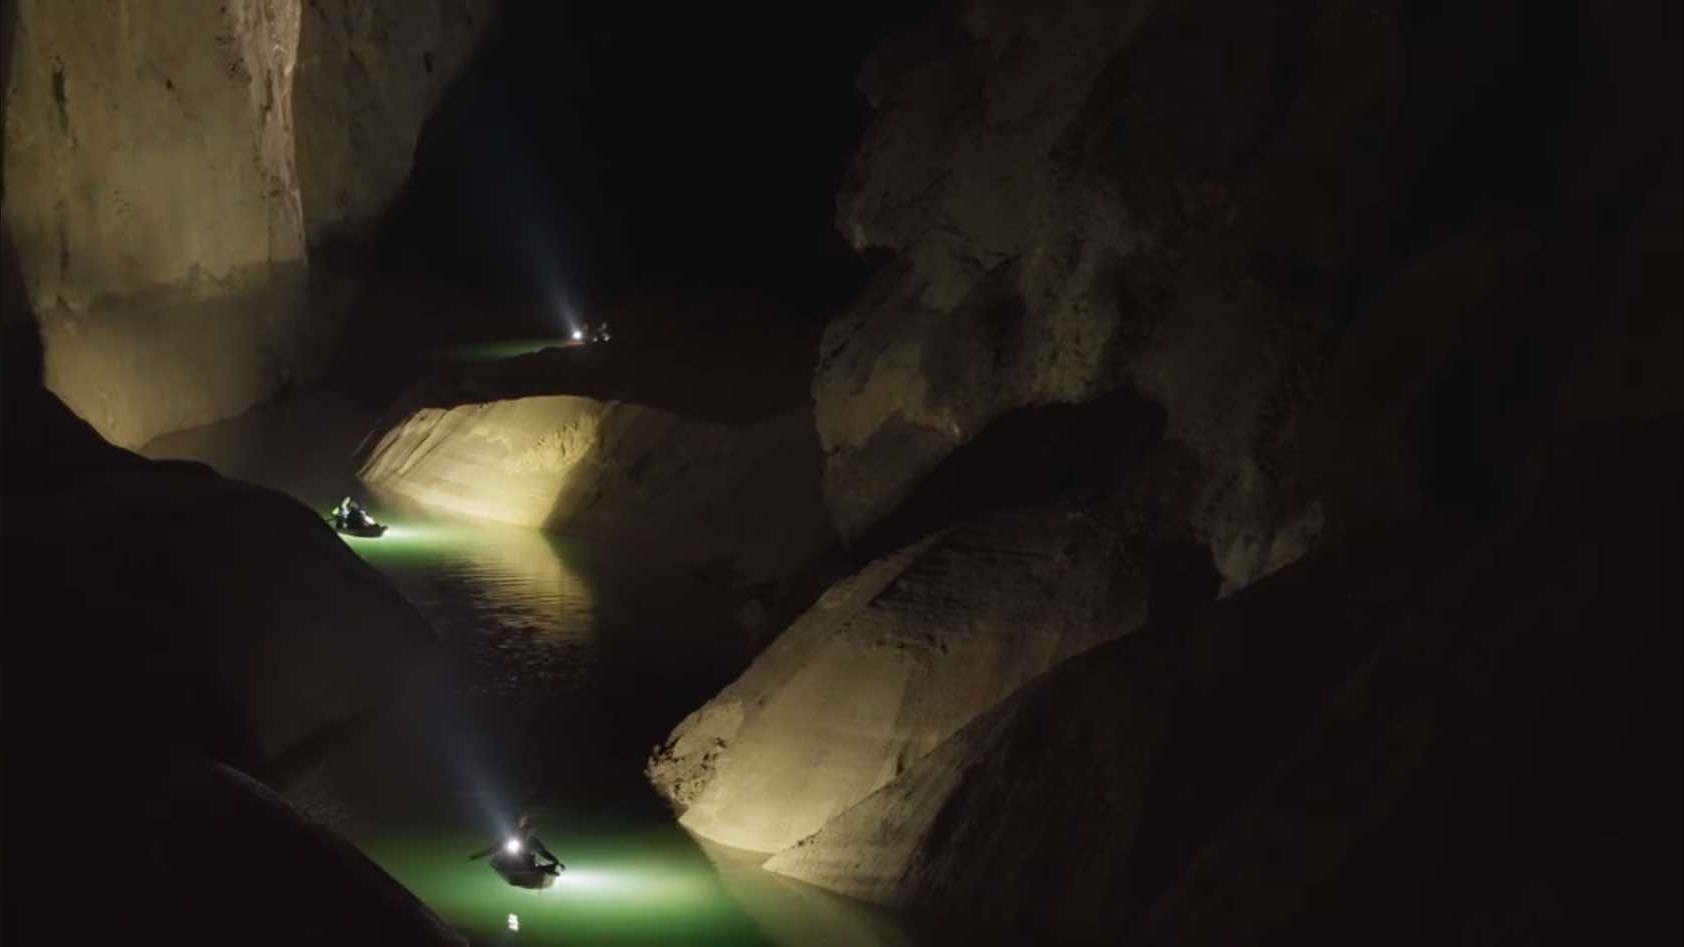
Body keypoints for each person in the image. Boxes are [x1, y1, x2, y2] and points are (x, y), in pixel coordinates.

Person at [469, 814, 564, 874]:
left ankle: (531, 871)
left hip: (526, 864)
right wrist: (476, 856)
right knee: (503, 857)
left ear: (531, 830)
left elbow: (544, 852)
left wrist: (556, 861)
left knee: (532, 859)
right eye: (524, 828)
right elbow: (493, 849)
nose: (526, 831)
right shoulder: (508, 838)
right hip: (509, 862)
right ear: (519, 829)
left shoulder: (533, 841)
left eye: (528, 829)